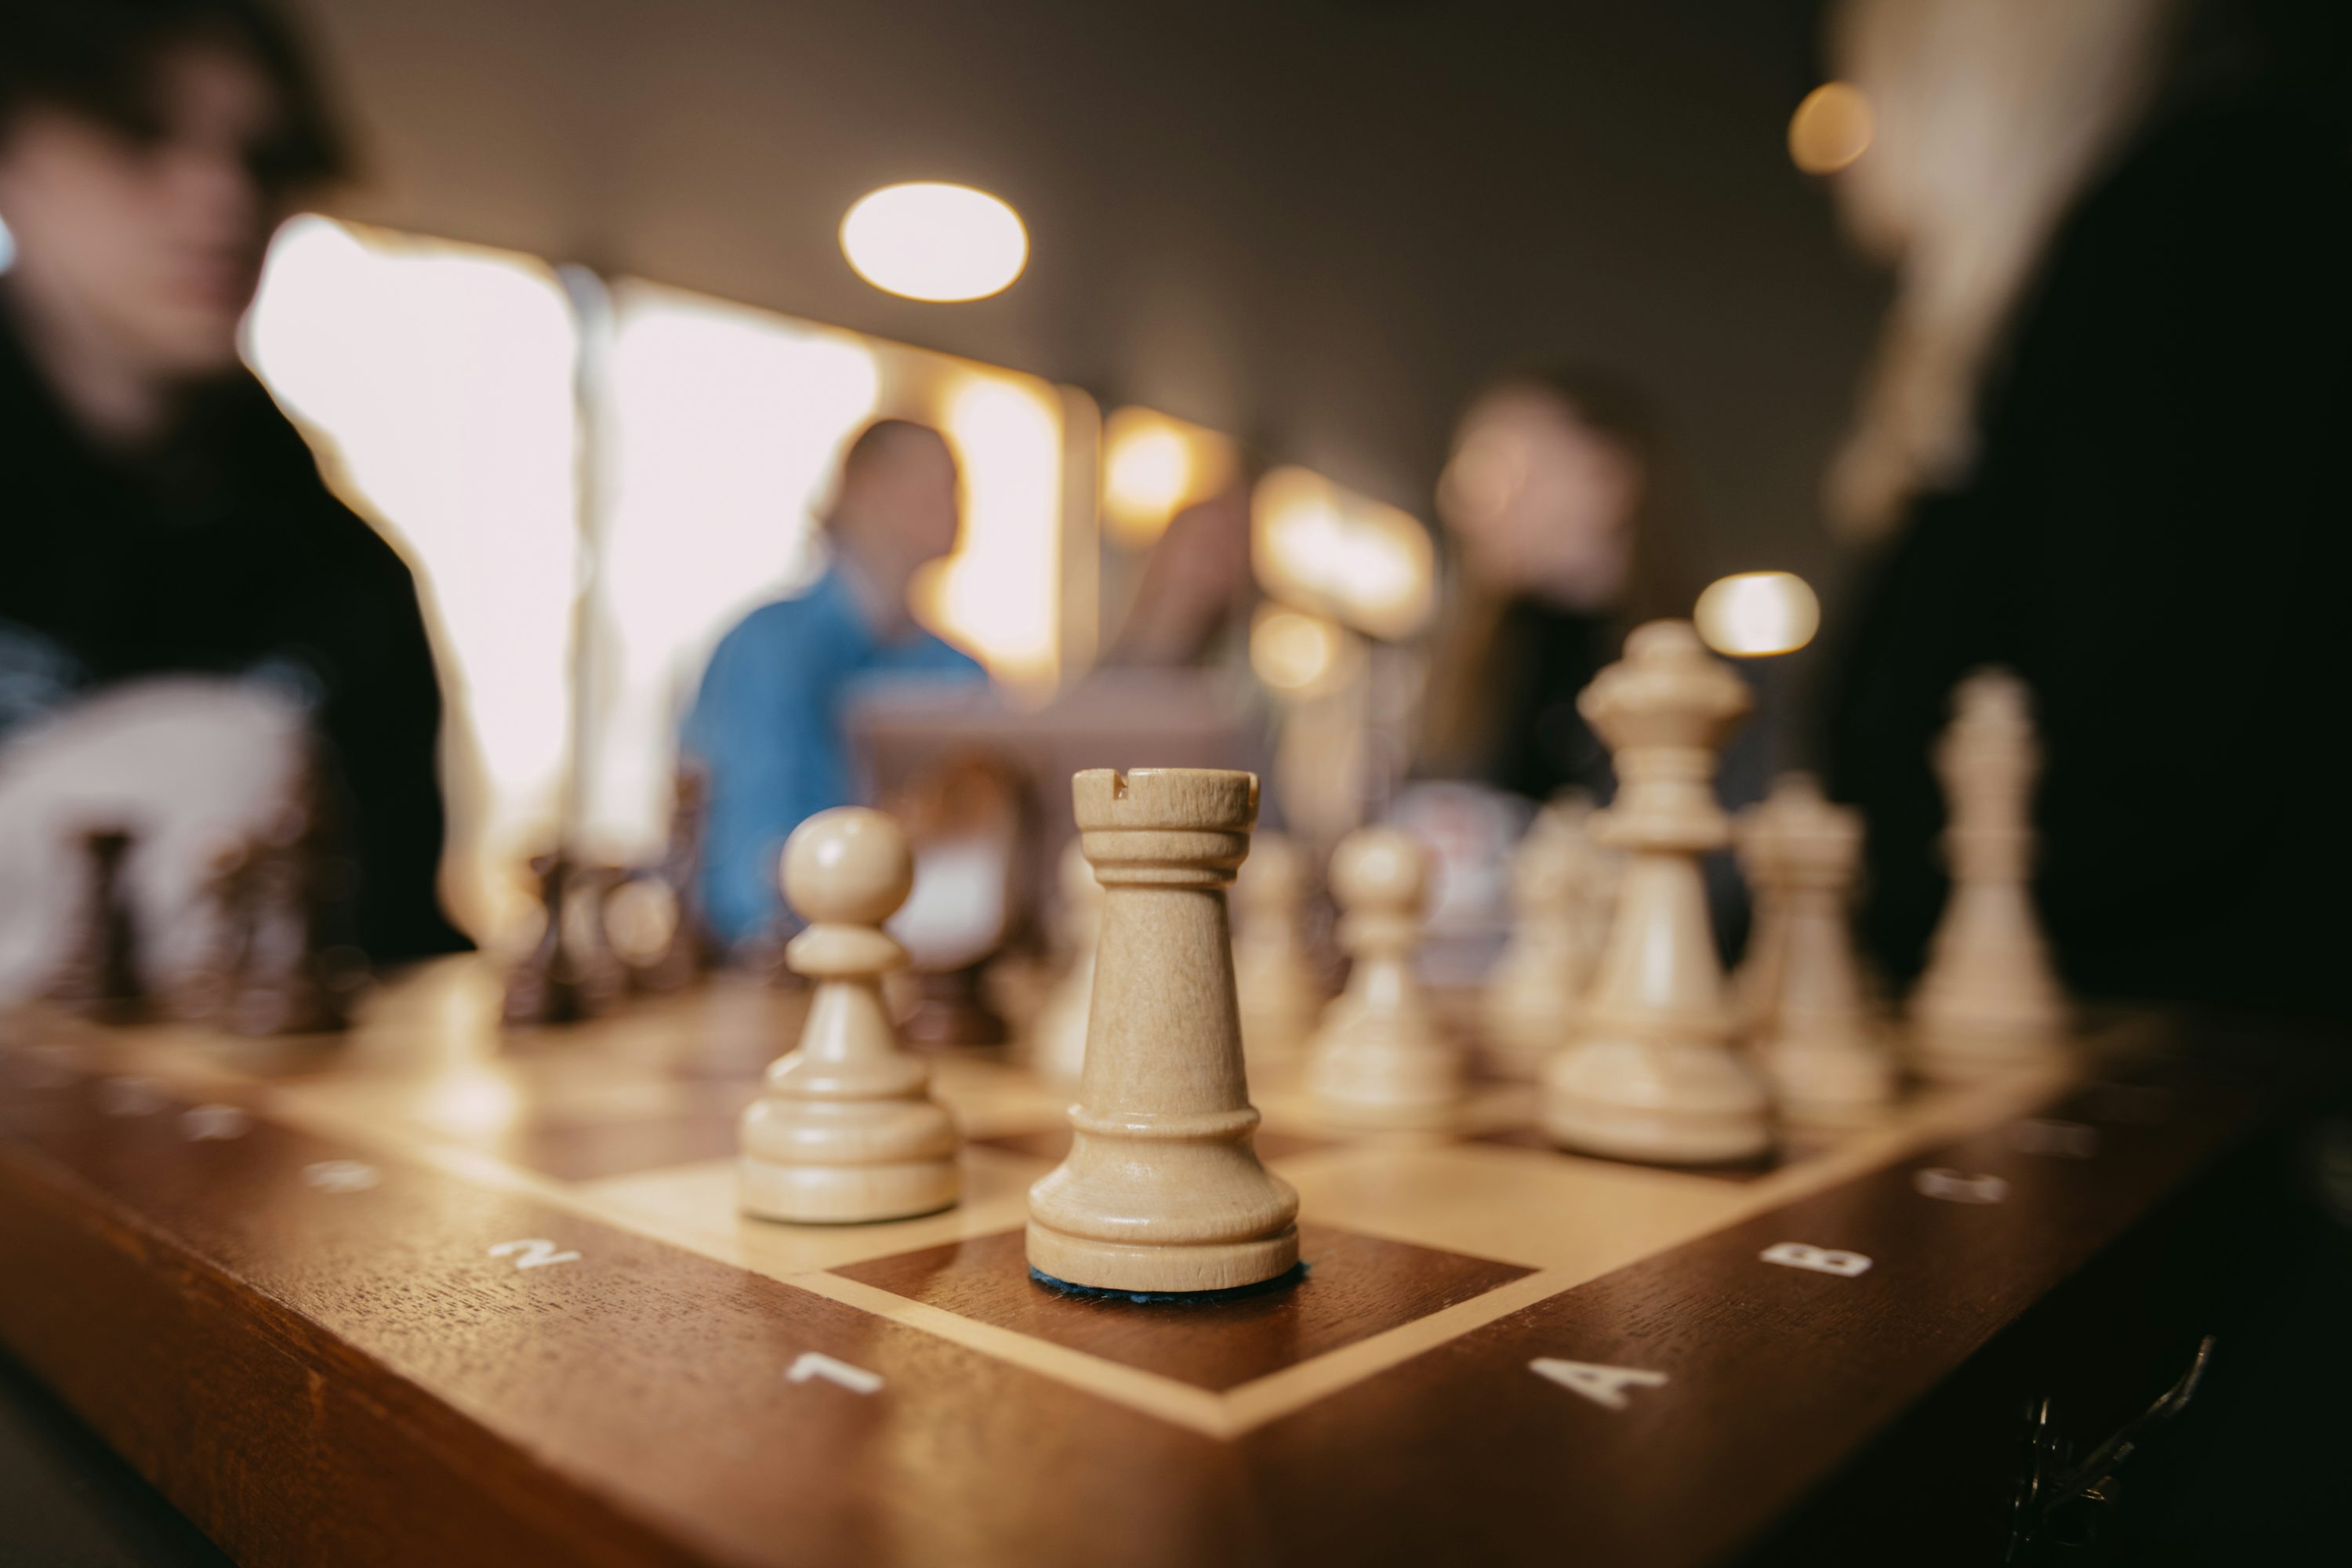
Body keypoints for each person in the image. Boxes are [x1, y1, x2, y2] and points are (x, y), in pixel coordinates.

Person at [1819, 0, 2352, 1019]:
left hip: (2187, 1051)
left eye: (1872, 86)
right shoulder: (2099, 273)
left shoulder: (2198, 226)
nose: (1853, 138)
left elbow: (2161, 774)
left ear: (1977, 86)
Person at [0, 0, 465, 960]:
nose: (221, 196)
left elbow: (397, 948)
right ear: (13, 158)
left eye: (265, 156)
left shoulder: (354, 587)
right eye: (139, 132)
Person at [683, 419, 986, 950]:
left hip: (936, 967)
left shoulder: (960, 671)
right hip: (790, 971)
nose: (958, 505)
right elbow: (752, 880)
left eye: (956, 486)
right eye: (935, 483)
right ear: (861, 489)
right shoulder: (769, 650)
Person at [1419, 368, 1697, 804]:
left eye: (1504, 472)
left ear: (1608, 479)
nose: (1463, 503)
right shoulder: (1464, 673)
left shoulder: (1706, 689)